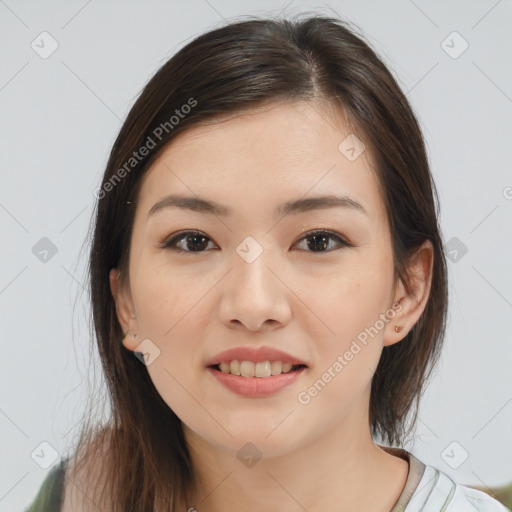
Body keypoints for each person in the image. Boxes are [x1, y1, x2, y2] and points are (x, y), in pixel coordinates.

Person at [23, 13, 510, 512]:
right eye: (193, 241)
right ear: (124, 300)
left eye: (319, 241)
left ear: (405, 290)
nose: (253, 305)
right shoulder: (72, 496)